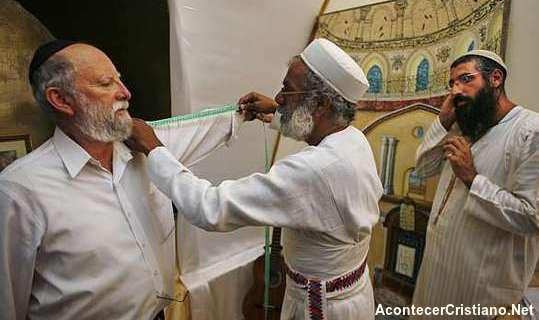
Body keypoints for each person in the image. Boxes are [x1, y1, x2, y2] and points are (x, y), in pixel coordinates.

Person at [127, 38, 384, 320]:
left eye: (288, 89)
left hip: (320, 309)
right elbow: (312, 130)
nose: (279, 96)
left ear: (320, 104)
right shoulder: (352, 139)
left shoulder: (314, 172)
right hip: (351, 293)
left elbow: (211, 208)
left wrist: (155, 149)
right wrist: (278, 113)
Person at [0, 40, 243, 319]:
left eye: (120, 80)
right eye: (105, 84)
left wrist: (245, 113)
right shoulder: (19, 191)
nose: (125, 93)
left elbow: (200, 129)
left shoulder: (148, 150)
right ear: (61, 99)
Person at [412, 50, 539, 319]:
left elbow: (531, 218)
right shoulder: (464, 125)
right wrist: (443, 121)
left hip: (481, 293)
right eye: (452, 84)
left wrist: (472, 178)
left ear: (495, 78)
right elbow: (423, 169)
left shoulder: (531, 132)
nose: (457, 90)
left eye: (466, 79)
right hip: (435, 277)